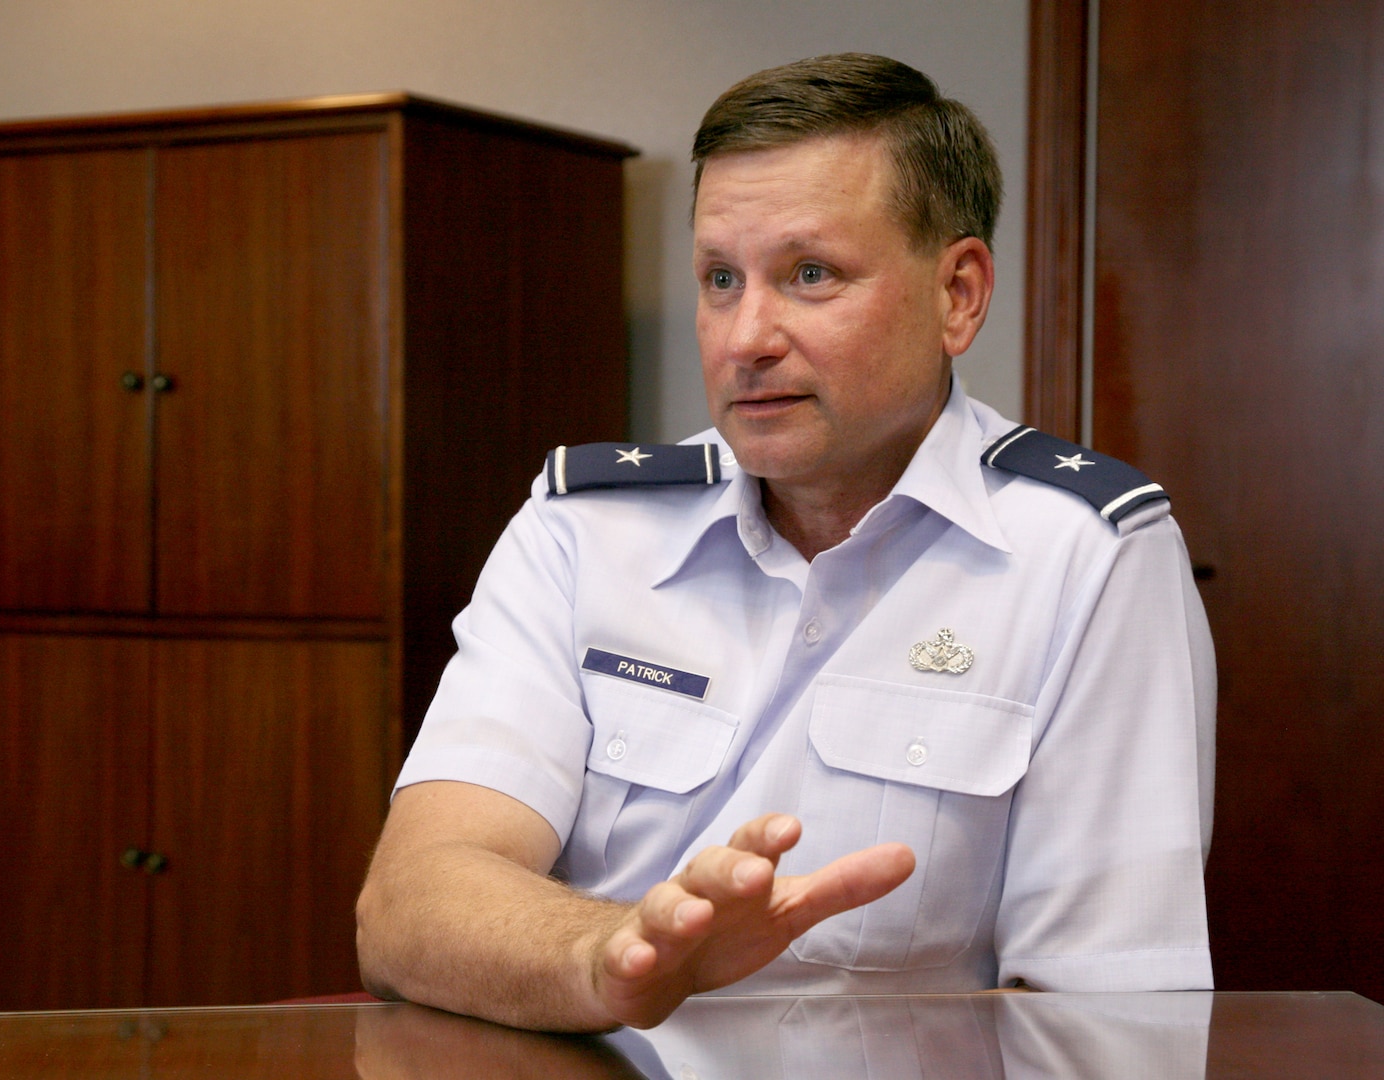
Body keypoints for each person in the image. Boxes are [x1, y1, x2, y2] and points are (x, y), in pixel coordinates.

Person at [355, 53, 1215, 1033]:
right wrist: (613, 959)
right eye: (721, 279)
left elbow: (1102, 1014)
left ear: (959, 294)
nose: (744, 337)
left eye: (810, 275)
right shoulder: (584, 529)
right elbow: (409, 904)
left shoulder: (1089, 557)